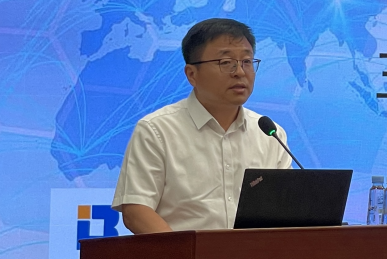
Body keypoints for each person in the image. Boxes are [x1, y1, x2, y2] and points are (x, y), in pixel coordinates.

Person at [112, 18, 293, 233]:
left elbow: (285, 209)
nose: (240, 72)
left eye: (246, 61)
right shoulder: (157, 130)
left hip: (254, 254)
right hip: (183, 254)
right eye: (226, 62)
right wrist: (188, 252)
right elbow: (137, 210)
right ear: (192, 74)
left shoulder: (270, 133)